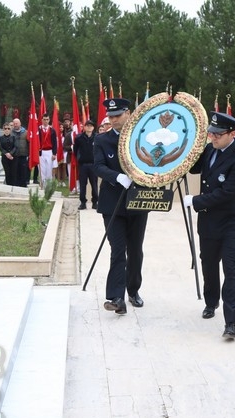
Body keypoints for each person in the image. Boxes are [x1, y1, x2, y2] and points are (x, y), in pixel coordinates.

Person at [183, 111, 235, 339]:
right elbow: (193, 168)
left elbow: (227, 193)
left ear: (232, 134)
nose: (213, 138)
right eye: (210, 133)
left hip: (231, 221)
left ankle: (231, 321)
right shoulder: (210, 149)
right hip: (209, 220)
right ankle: (211, 302)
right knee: (208, 264)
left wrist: (195, 201)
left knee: (230, 268)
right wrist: (184, 153)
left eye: (218, 134)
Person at [93, 98, 148, 315]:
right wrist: (116, 176)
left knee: (135, 250)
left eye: (117, 116)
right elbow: (98, 166)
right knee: (118, 249)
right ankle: (116, 297)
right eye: (110, 116)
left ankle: (133, 290)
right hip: (112, 203)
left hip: (138, 201)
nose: (113, 120)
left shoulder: (142, 137)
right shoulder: (102, 140)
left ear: (128, 113)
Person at [74, 119, 99, 210]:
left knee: (94, 184)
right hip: (83, 165)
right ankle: (83, 202)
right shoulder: (79, 138)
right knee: (83, 184)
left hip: (93, 164)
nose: (89, 127)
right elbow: (75, 151)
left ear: (93, 127)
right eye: (87, 125)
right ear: (84, 127)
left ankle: (95, 202)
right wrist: (79, 159)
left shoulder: (97, 137)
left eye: (91, 126)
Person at [38, 113, 57, 188]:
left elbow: (55, 143)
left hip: (49, 151)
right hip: (41, 152)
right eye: (44, 120)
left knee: (49, 169)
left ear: (49, 120)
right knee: (42, 169)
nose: (45, 121)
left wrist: (54, 153)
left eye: (47, 120)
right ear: (42, 120)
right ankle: (42, 185)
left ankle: (48, 186)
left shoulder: (52, 130)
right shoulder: (38, 130)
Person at [12, 118, 29, 187]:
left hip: (23, 154)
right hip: (14, 155)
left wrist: (29, 154)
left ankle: (23, 184)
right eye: (14, 124)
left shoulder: (26, 132)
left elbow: (29, 143)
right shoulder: (11, 132)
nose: (15, 125)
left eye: (17, 123)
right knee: (15, 171)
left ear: (20, 124)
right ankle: (16, 185)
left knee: (23, 171)